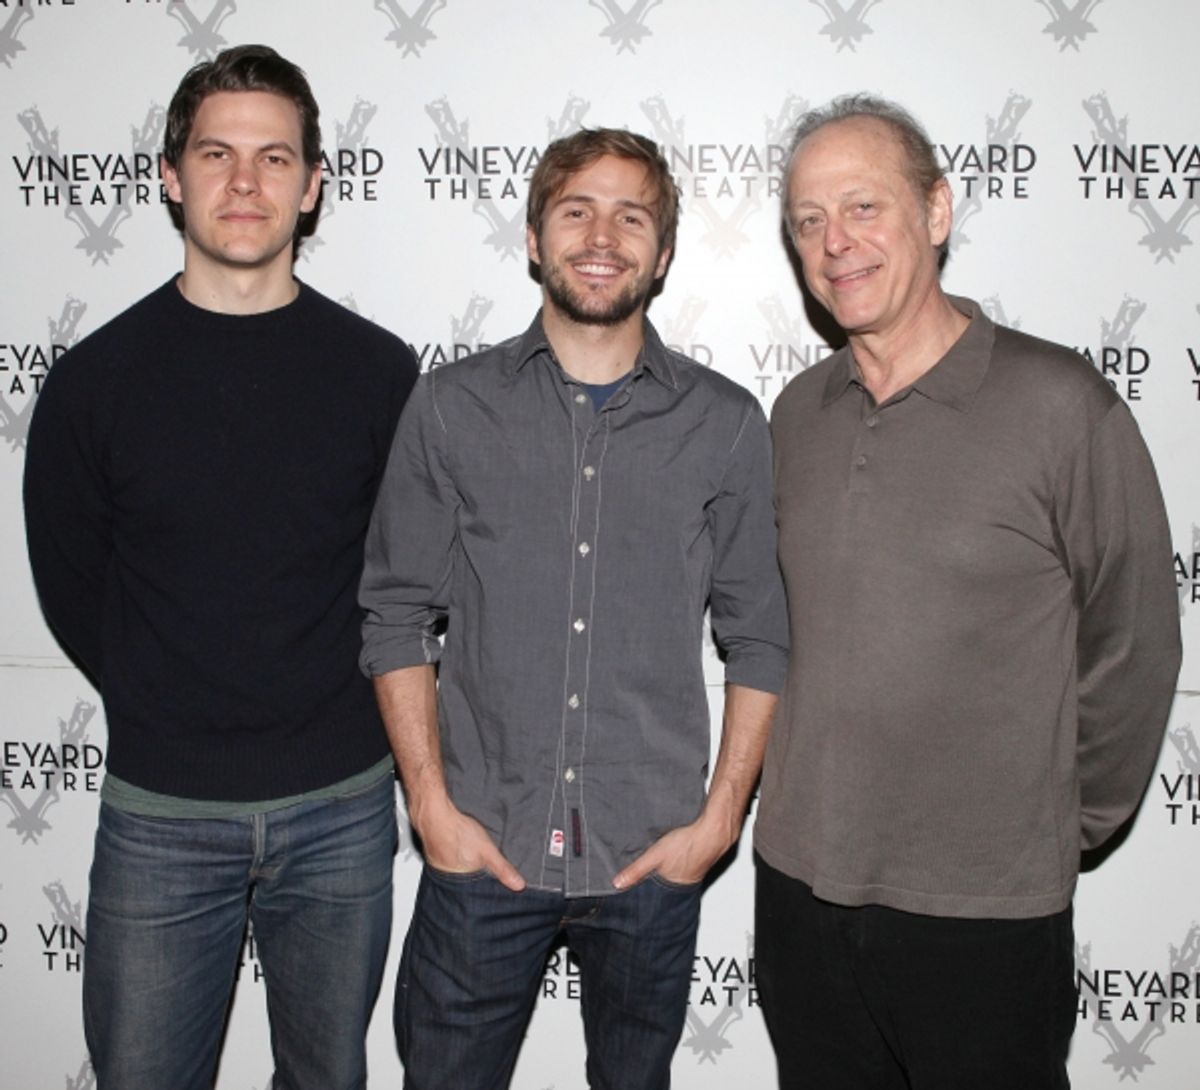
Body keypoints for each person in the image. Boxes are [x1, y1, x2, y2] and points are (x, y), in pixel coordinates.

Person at [754, 93, 1181, 1090]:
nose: (834, 242)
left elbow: (1135, 645)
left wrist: (1050, 824)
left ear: (936, 212)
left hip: (984, 916)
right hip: (801, 894)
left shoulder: (1061, 404)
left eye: (863, 206)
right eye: (807, 221)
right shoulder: (795, 415)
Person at [23, 45, 418, 1090]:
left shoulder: (381, 373)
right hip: (162, 811)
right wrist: (166, 698)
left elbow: (406, 579)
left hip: (342, 807)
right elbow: (70, 583)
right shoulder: (94, 380)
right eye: (216, 154)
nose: (245, 183)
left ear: (315, 185)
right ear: (169, 175)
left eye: (275, 157)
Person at [360, 127, 788, 1090]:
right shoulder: (448, 407)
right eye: (576, 211)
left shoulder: (724, 425)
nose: (603, 236)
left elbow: (759, 638)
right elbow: (394, 615)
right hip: (482, 849)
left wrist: (719, 822)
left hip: (652, 861)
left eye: (632, 216)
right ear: (533, 238)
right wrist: (432, 808)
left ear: (664, 253)